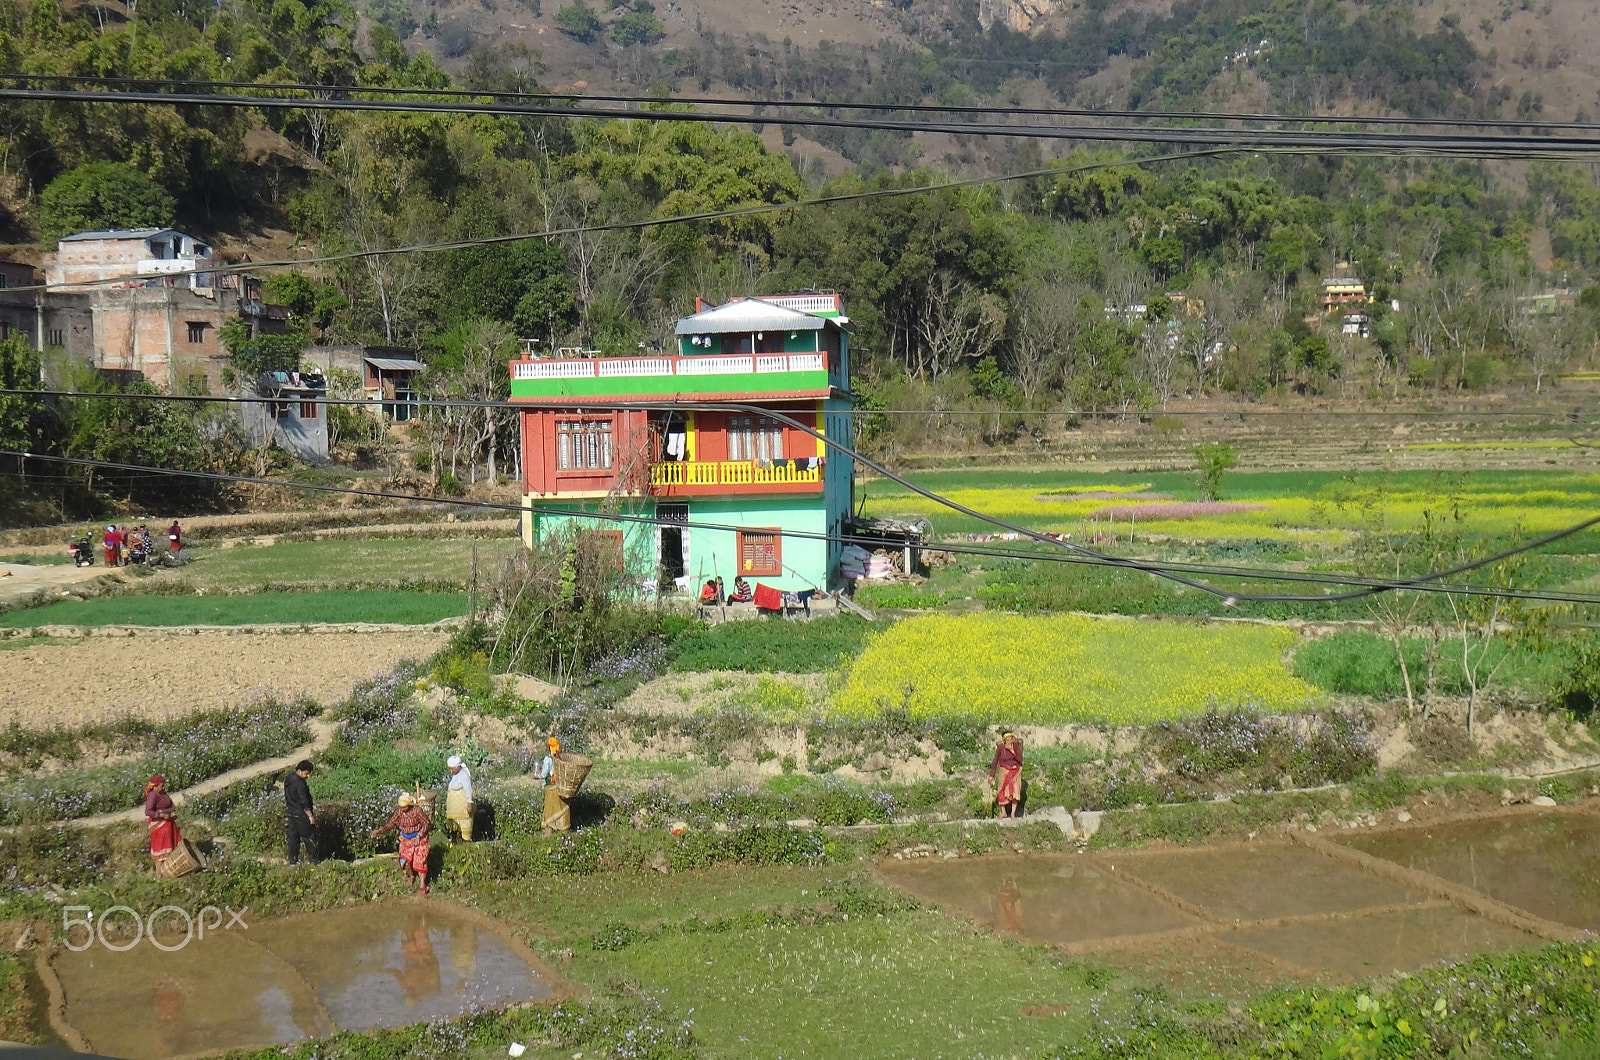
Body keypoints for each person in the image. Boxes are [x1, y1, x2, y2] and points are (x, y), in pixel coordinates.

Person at [371, 793, 432, 894]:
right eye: (401, 807)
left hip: (418, 837)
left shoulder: (417, 811)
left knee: (420, 859)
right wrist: (379, 831)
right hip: (405, 839)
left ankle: (422, 886)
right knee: (405, 859)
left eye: (404, 807)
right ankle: (411, 876)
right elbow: (391, 824)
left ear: (409, 805)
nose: (402, 809)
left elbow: (426, 823)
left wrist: (419, 835)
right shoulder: (399, 812)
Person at [143, 774, 181, 866]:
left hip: (168, 824)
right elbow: (148, 811)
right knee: (161, 851)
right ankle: (160, 874)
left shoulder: (163, 793)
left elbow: (171, 805)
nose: (163, 787)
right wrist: (162, 815)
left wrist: (171, 813)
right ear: (155, 786)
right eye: (161, 785)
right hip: (159, 826)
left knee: (171, 846)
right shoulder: (152, 795)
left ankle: (170, 870)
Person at [285, 759, 317, 864]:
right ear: (299, 771)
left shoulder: (288, 779)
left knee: (293, 840)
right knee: (309, 839)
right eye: (306, 773)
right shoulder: (300, 784)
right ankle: (313, 862)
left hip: (291, 814)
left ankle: (293, 862)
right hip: (301, 816)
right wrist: (310, 816)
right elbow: (304, 802)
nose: (308, 776)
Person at [538, 737, 571, 835]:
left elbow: (544, 774)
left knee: (549, 810)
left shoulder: (548, 759)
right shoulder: (560, 758)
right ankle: (565, 831)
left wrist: (537, 776)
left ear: (549, 747)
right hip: (560, 786)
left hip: (551, 787)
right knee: (561, 807)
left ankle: (549, 832)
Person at [990, 731, 1024, 819]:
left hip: (1015, 770)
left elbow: (1020, 760)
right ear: (1004, 740)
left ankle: (1013, 813)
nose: (1009, 741)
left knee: (1015, 791)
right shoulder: (1000, 748)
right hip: (1004, 770)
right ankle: (1003, 812)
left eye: (1011, 738)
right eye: (1007, 739)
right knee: (1001, 791)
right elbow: (995, 761)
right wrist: (991, 775)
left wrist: (1012, 751)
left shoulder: (1016, 746)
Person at [445, 755, 474, 842]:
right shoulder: (456, 774)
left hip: (462, 809)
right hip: (455, 810)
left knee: (465, 826)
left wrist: (469, 804)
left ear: (458, 767)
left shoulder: (464, 775)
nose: (451, 771)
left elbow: (468, 790)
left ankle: (467, 843)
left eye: (452, 768)